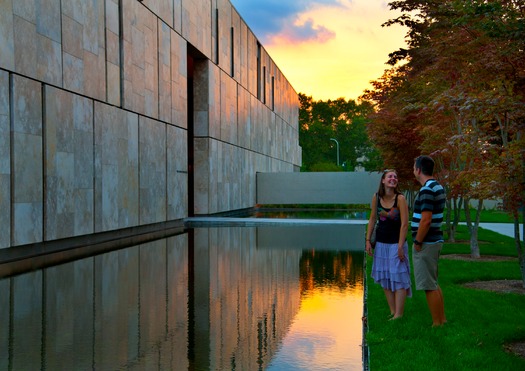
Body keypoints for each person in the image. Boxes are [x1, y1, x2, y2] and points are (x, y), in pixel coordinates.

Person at [366, 169, 411, 319]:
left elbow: (405, 224)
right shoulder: (376, 197)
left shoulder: (401, 199)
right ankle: (392, 311)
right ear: (383, 181)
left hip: (396, 244)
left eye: (395, 177)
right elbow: (372, 219)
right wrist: (368, 241)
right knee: (385, 277)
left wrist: (400, 247)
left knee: (398, 276)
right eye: (390, 176)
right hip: (381, 243)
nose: (393, 178)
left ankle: (399, 314)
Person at [411, 155, 447, 326]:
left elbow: (426, 220)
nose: (413, 170)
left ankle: (436, 323)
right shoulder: (437, 186)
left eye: (413, 167)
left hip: (427, 243)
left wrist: (418, 242)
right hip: (435, 240)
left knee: (428, 285)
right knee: (433, 282)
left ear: (418, 170)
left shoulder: (427, 189)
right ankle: (442, 320)